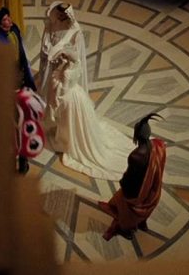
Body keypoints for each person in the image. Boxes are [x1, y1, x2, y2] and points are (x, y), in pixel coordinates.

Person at [45, 48, 134, 180]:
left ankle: (68, 141)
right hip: (78, 95)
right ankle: (71, 137)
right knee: (78, 123)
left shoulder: (66, 72)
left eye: (63, 57)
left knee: (70, 123)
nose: (61, 59)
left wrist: (57, 101)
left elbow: (63, 91)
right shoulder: (76, 64)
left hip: (69, 100)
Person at [98, 113, 166, 241]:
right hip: (153, 190)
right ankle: (142, 222)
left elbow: (130, 178)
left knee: (125, 206)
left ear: (137, 136)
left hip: (137, 193)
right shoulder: (159, 145)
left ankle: (126, 229)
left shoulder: (136, 156)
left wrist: (123, 183)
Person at [36, 1, 88, 101]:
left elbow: (76, 52)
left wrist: (64, 55)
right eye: (59, 13)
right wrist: (48, 51)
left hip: (63, 64)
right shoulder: (51, 24)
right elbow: (46, 40)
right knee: (48, 84)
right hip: (50, 62)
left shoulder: (75, 30)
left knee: (60, 88)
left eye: (63, 14)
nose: (60, 16)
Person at [0, 7, 36, 91]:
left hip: (19, 65)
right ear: (0, 25)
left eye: (8, 17)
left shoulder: (15, 28)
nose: (9, 20)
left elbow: (20, 46)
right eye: (5, 19)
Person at [14, 87, 46, 175]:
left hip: (15, 130)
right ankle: (23, 169)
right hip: (28, 129)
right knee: (23, 150)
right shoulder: (28, 96)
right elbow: (40, 111)